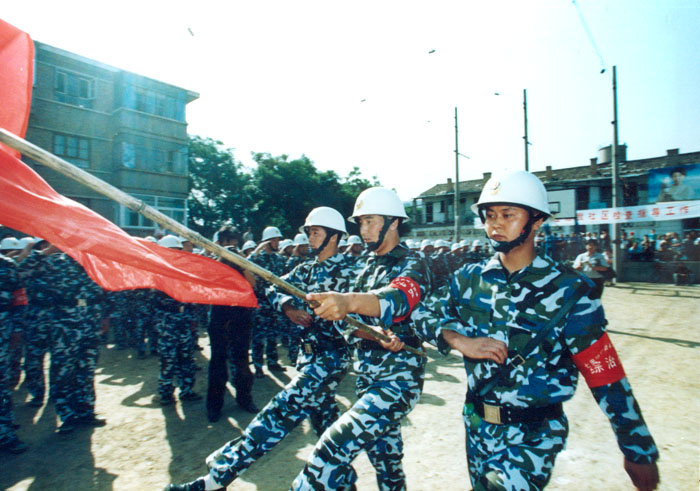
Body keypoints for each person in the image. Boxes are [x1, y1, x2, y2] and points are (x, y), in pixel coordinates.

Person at [412, 170, 659, 490]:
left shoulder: (570, 291)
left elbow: (605, 375)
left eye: (507, 214)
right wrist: (458, 339)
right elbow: (421, 314)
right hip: (477, 428)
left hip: (534, 435)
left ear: (537, 220)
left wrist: (637, 449)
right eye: (489, 216)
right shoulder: (468, 279)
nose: (495, 224)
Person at [165, 207, 357, 491]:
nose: (310, 237)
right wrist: (290, 307)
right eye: (308, 232)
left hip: (330, 358)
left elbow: (369, 307)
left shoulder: (353, 271)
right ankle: (345, 484)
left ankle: (215, 480)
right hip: (308, 357)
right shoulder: (306, 268)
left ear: (334, 236)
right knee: (327, 427)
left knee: (277, 415)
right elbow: (275, 287)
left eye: (316, 232)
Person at [290, 187, 432, 490]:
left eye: (371, 222)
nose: (364, 231)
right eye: (361, 223)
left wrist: (349, 301)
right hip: (368, 378)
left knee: (331, 449)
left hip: (398, 381)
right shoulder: (366, 267)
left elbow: (397, 298)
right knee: (387, 461)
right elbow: (347, 324)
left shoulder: (412, 262)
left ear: (393, 223)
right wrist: (369, 331)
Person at [206, 226, 258, 422]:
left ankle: (245, 399)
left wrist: (241, 263)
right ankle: (214, 407)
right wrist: (222, 259)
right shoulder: (211, 261)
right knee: (218, 363)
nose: (231, 245)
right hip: (220, 317)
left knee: (242, 360)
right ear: (219, 243)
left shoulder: (243, 260)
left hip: (241, 316)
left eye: (233, 241)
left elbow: (253, 284)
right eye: (226, 241)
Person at [248, 226, 287, 377]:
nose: (277, 242)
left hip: (274, 302)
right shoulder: (257, 258)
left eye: (278, 240)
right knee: (258, 336)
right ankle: (258, 366)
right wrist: (257, 250)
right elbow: (244, 264)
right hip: (260, 303)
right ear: (266, 241)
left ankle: (273, 362)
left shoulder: (279, 259)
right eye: (274, 240)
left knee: (273, 335)